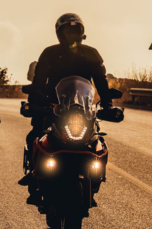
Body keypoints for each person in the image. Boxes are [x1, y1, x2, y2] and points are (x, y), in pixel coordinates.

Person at [21, 13, 113, 205]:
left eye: (75, 31)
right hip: (53, 108)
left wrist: (108, 104)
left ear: (81, 33)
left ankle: (94, 176)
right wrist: (35, 104)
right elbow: (38, 82)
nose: (71, 35)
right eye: (67, 31)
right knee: (35, 135)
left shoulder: (91, 53)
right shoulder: (49, 53)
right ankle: (33, 177)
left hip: (83, 109)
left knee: (96, 141)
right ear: (60, 34)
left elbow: (101, 81)